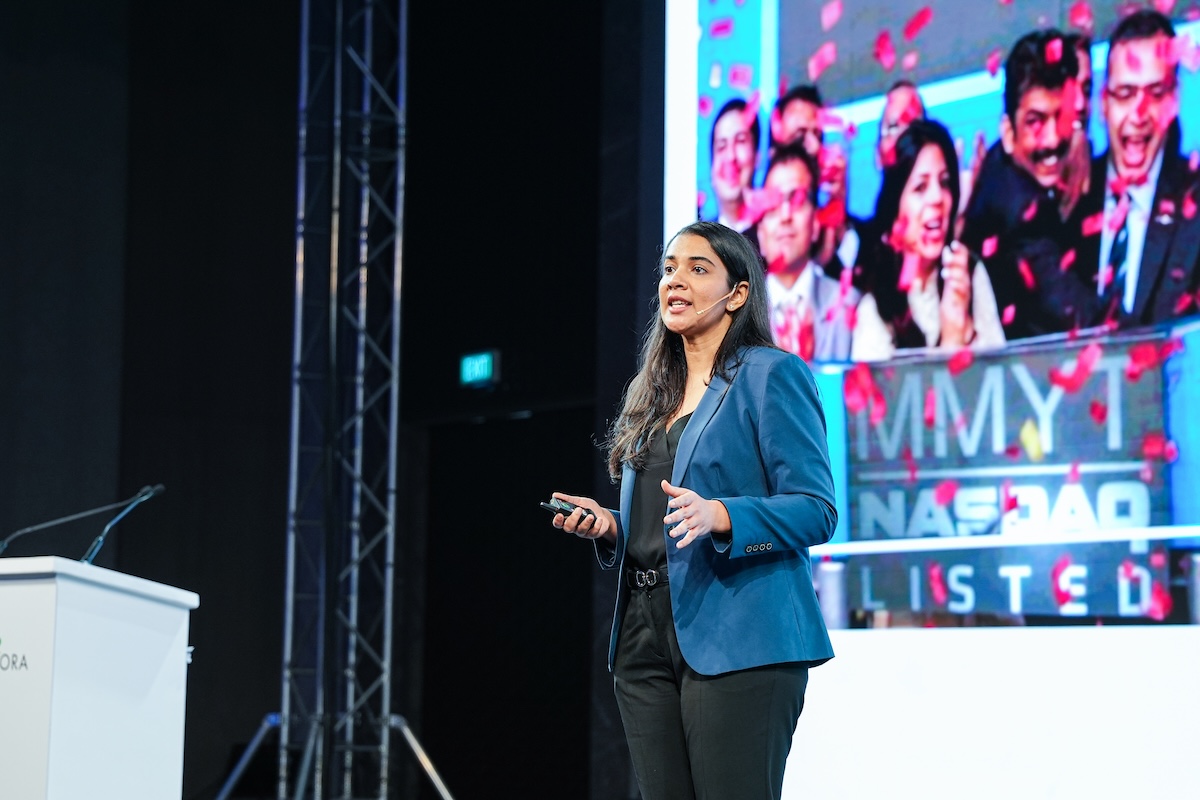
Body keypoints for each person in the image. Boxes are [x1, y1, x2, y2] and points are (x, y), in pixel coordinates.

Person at [548, 220, 837, 800]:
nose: (675, 281)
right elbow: (661, 522)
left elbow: (816, 509)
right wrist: (611, 529)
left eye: (698, 269)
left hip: (740, 632)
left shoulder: (770, 375)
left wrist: (724, 516)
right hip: (643, 633)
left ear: (738, 293)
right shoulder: (649, 391)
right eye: (669, 268)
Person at [960, 28, 1101, 339]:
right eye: (1035, 122)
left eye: (1061, 117)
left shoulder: (1004, 163)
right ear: (1009, 132)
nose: (1052, 140)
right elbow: (1084, 320)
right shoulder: (1020, 211)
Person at [1073, 9, 1200, 328]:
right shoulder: (1071, 200)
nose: (1139, 114)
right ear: (1103, 103)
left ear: (1174, 100)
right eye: (1125, 94)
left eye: (1155, 94)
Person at [852, 118, 1007, 361]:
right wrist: (951, 342)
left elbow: (1004, 380)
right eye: (920, 187)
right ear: (895, 211)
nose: (937, 197)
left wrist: (967, 331)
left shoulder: (968, 275)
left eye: (945, 183)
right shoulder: (877, 309)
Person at [754, 143, 859, 361]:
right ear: (761, 233)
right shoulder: (734, 319)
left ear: (815, 225)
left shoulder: (851, 305)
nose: (785, 215)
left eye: (797, 200)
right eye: (773, 205)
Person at [708, 97, 761, 232]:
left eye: (741, 141)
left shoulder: (773, 240)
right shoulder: (699, 243)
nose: (731, 156)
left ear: (757, 157)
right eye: (721, 146)